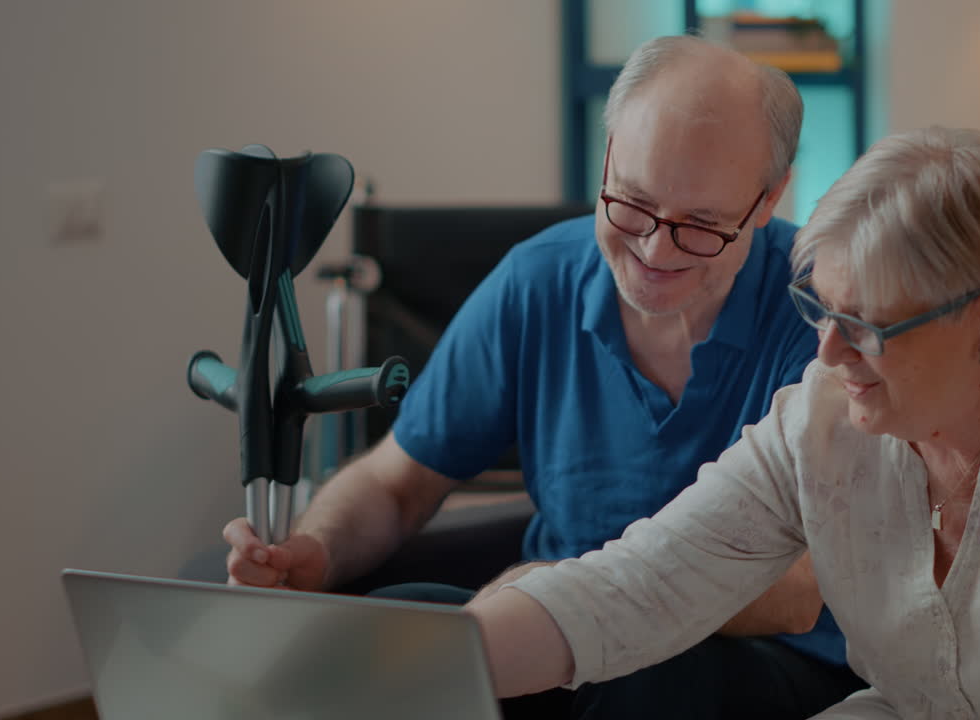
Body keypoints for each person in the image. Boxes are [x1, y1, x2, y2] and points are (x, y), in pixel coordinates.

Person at [466, 126, 980, 718]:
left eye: (868, 325)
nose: (829, 352)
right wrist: (439, 660)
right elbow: (642, 584)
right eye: (820, 307)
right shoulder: (820, 420)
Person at [224, 35, 864, 719]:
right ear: (609, 154)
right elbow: (395, 484)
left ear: (768, 199)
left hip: (767, 661)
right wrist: (314, 551)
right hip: (561, 651)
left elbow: (799, 591)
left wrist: (571, 596)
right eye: (633, 202)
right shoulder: (537, 282)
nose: (654, 250)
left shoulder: (821, 316)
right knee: (399, 626)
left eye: (701, 225)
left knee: (646, 683)